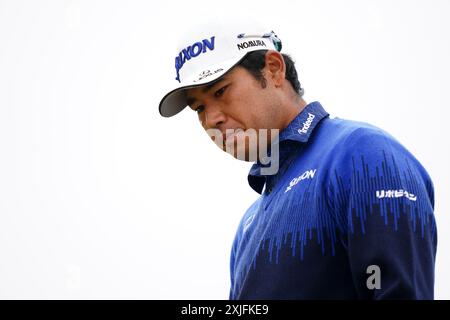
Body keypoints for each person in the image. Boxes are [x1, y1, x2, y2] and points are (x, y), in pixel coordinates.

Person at [158, 22, 437, 299]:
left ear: (274, 70)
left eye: (220, 91)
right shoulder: (247, 227)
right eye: (199, 108)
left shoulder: (362, 153)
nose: (211, 119)